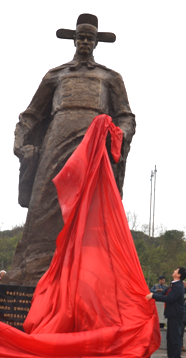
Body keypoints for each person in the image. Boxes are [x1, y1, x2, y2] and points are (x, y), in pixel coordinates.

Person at [11, 14, 136, 286]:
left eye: (90, 38)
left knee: (91, 208)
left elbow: (126, 117)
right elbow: (31, 114)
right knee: (44, 198)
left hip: (93, 143)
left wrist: (116, 135)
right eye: (81, 37)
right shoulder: (55, 75)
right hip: (56, 138)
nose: (85, 42)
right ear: (74, 40)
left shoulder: (110, 77)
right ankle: (33, 266)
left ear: (96, 43)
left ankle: (86, 273)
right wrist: (21, 142)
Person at [146, 267, 186, 358]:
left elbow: (168, 298)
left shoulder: (178, 286)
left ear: (179, 275)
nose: (174, 270)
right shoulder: (173, 284)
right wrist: (152, 294)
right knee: (170, 338)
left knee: (175, 338)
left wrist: (153, 296)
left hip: (176, 315)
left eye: (176, 270)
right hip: (172, 314)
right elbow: (163, 293)